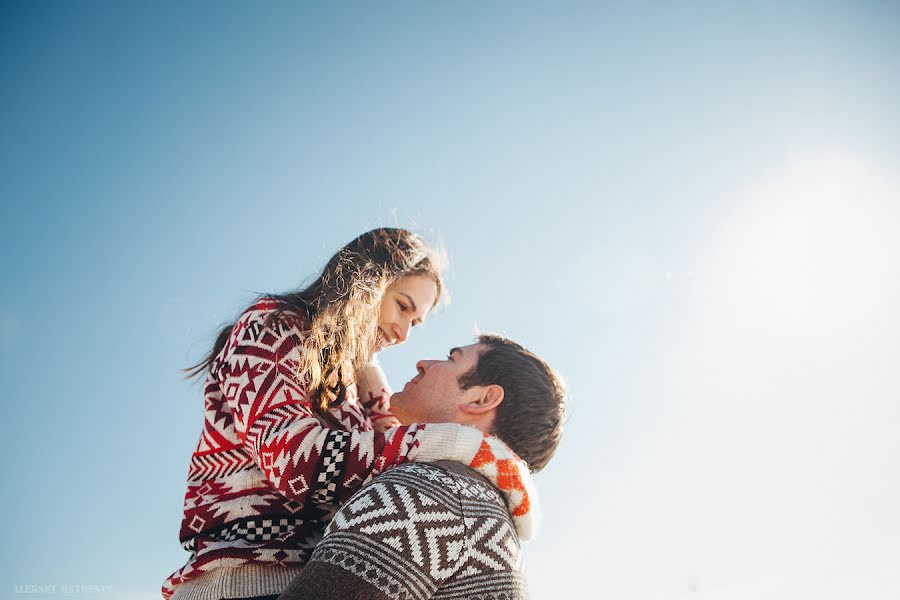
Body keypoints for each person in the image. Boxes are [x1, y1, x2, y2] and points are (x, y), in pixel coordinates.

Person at [162, 229, 534, 600]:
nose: (404, 334)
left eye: (415, 323)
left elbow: (398, 470)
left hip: (321, 578)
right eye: (402, 307)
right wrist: (465, 445)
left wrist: (371, 382)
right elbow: (296, 462)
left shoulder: (356, 379)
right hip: (239, 582)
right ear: (367, 280)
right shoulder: (271, 326)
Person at [277, 335, 566, 600]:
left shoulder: (427, 495)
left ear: (481, 399)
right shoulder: (487, 518)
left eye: (451, 358)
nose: (423, 363)